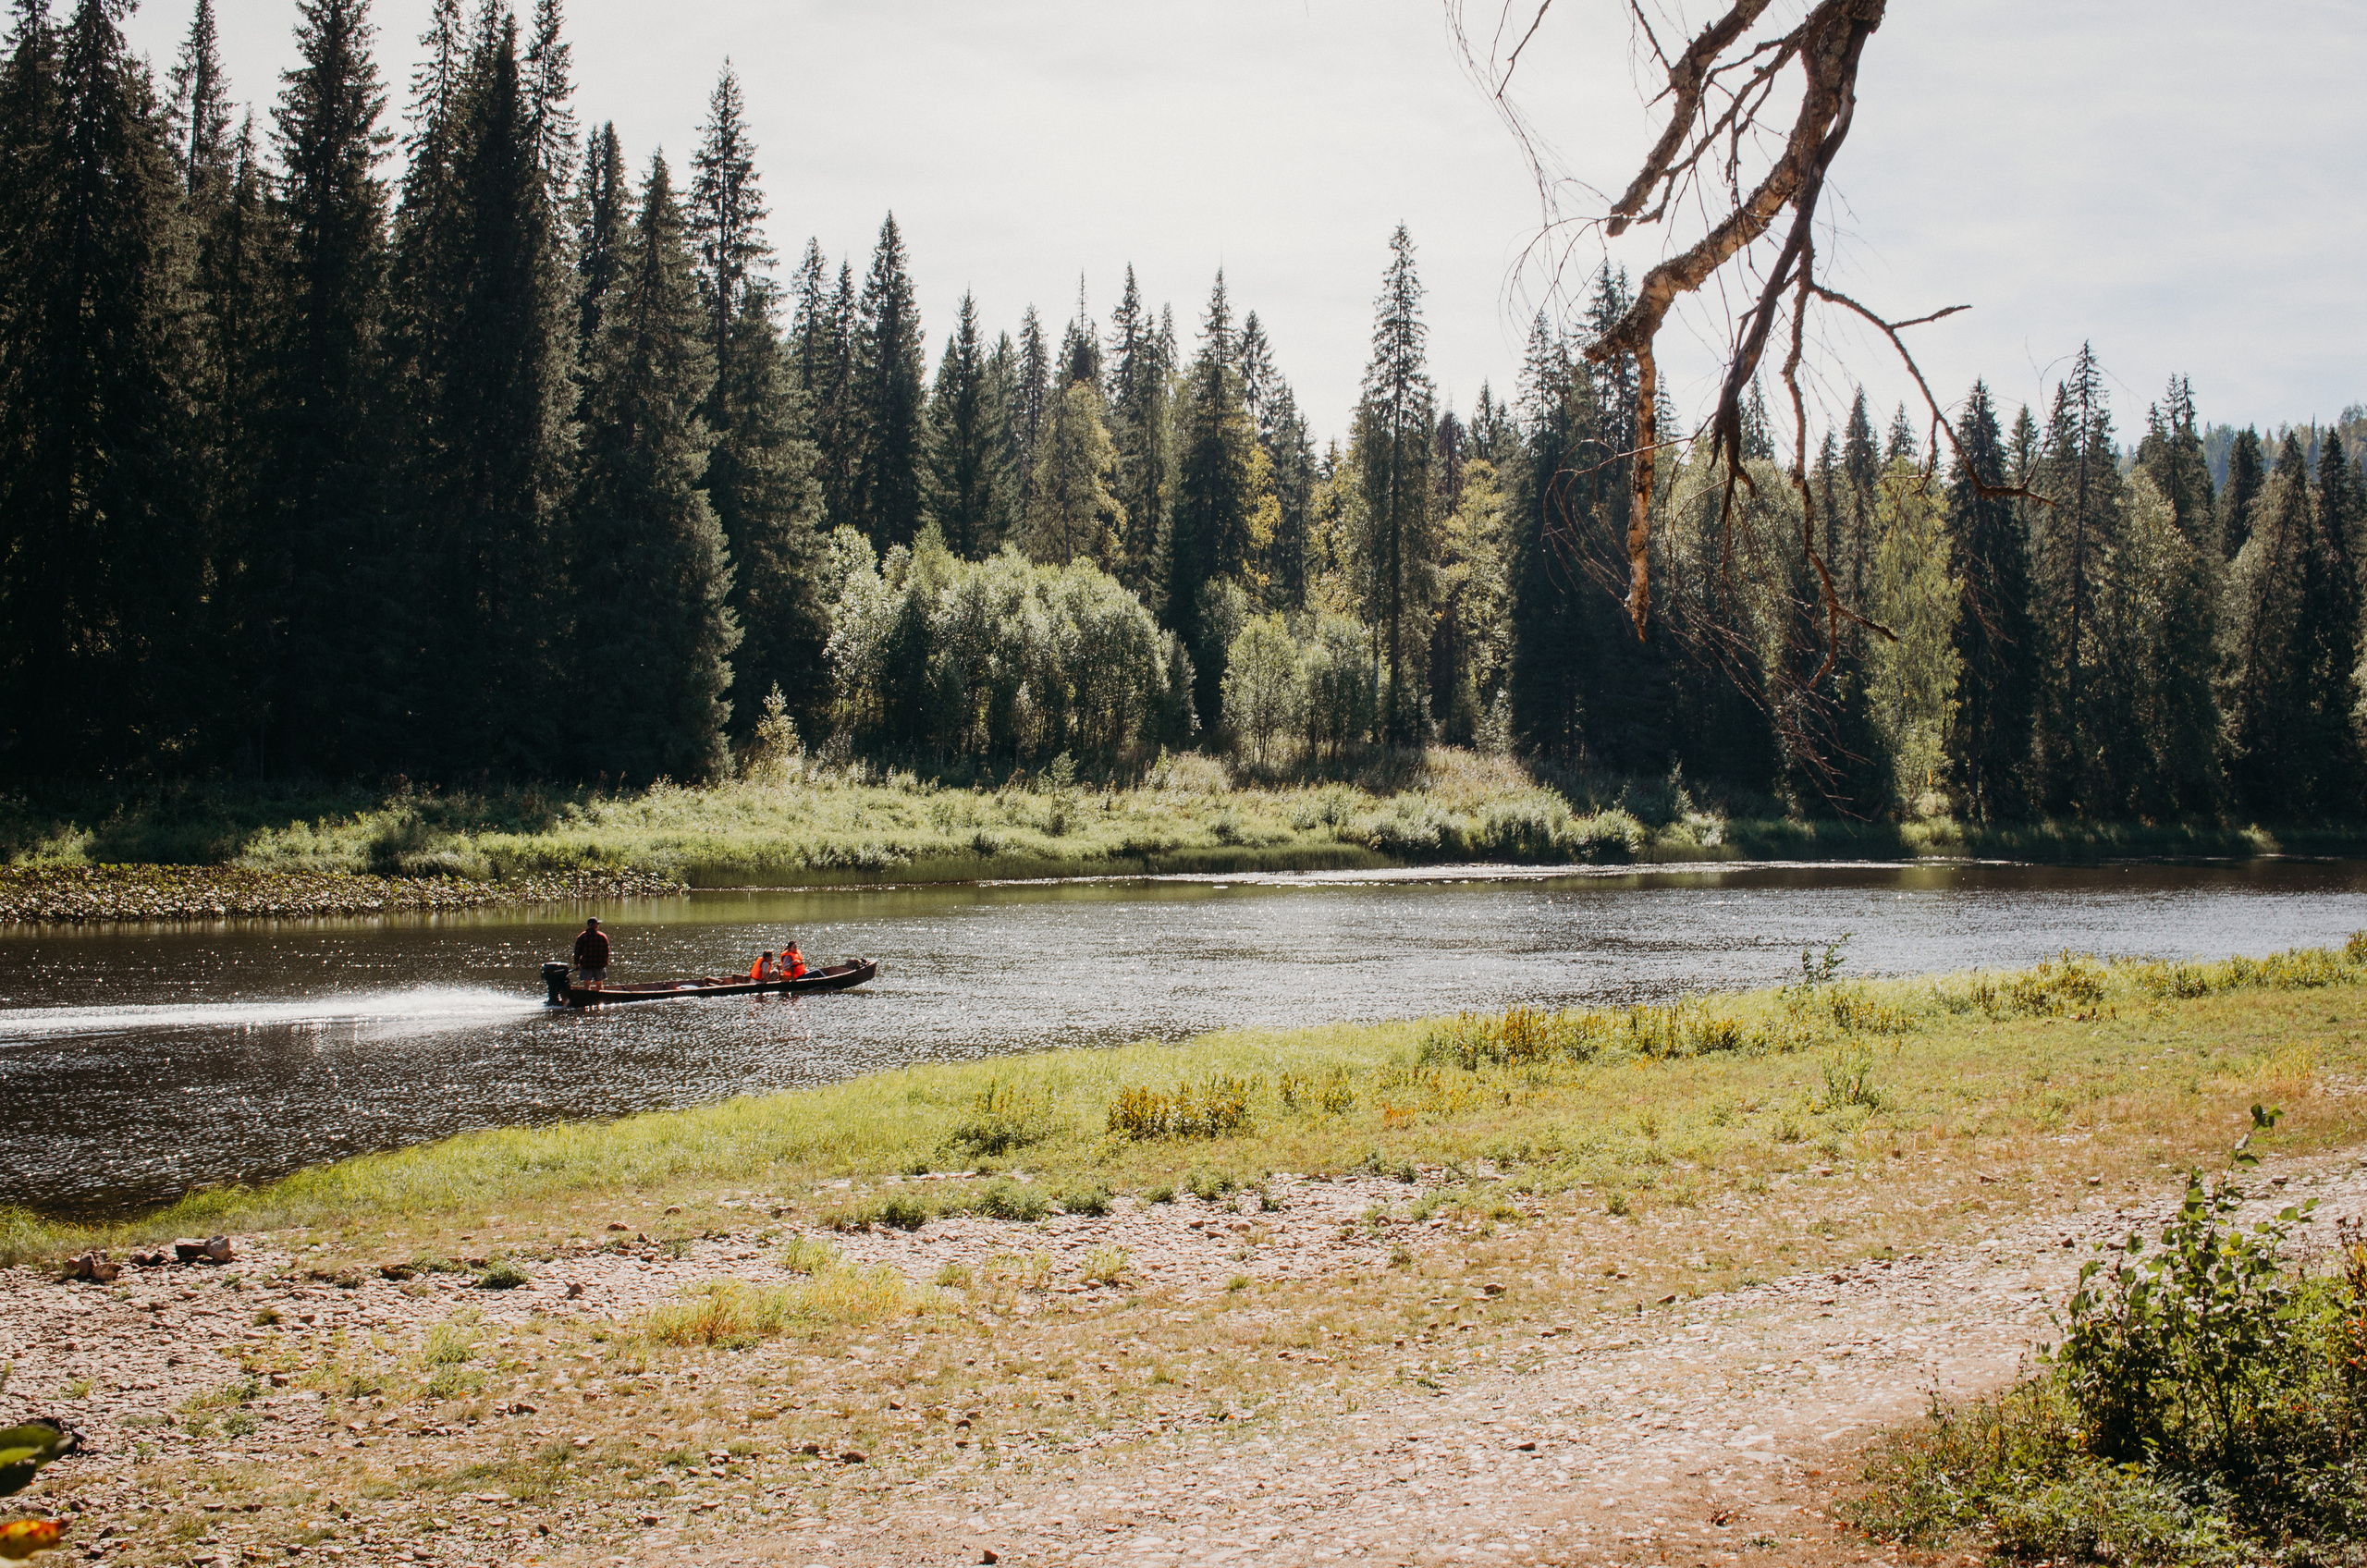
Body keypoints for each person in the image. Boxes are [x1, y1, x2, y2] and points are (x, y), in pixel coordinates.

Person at [573, 917, 610, 990]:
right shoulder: (602, 936)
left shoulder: (582, 937)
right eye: (597, 924)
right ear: (595, 925)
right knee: (599, 985)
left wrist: (576, 963)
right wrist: (605, 962)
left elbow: (577, 951)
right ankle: (600, 999)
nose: (598, 926)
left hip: (586, 964)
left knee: (586, 985)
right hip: (599, 964)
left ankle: (587, 999)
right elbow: (606, 951)